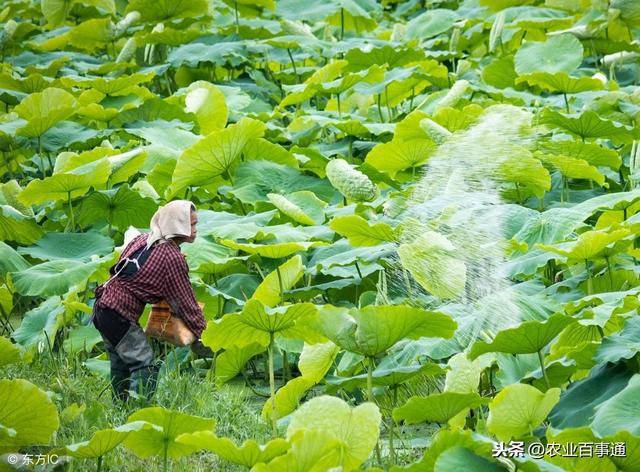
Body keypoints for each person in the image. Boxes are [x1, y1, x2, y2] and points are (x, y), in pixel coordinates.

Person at [92, 200, 207, 402]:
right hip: (118, 314)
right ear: (177, 225)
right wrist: (204, 335)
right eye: (192, 225)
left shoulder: (145, 239)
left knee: (121, 364)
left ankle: (120, 409)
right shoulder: (172, 258)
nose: (196, 230)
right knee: (144, 365)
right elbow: (185, 304)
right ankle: (139, 411)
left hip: (103, 307)